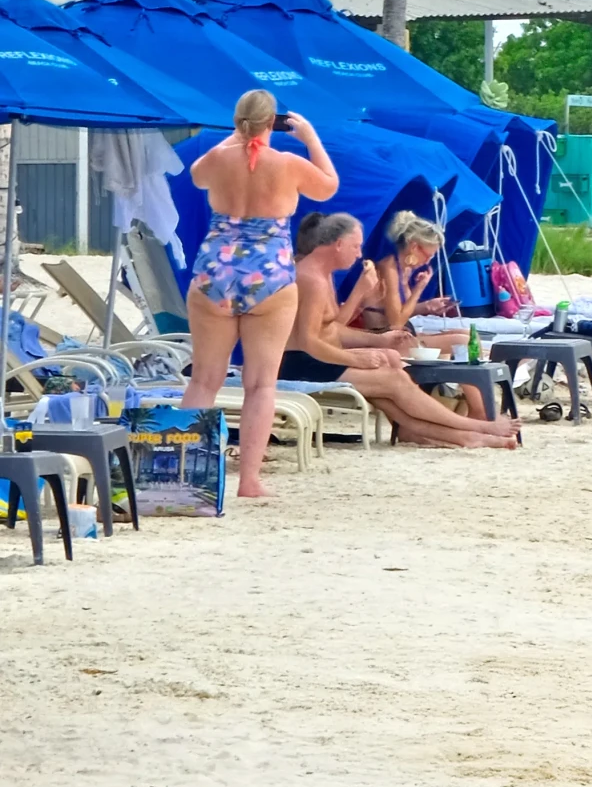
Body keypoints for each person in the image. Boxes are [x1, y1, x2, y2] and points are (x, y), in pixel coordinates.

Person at [183, 91, 340, 499]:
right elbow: (328, 187)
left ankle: (183, 472)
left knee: (203, 380)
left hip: (214, 272)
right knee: (261, 384)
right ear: (274, 124)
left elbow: (197, 176)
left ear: (237, 122)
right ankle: (249, 481)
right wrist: (310, 138)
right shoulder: (289, 164)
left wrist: (235, 138)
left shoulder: (217, 159)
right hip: (269, 276)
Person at [283, 215, 521, 447]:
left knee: (391, 374)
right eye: (355, 246)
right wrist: (354, 357)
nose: (359, 254)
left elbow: (330, 329)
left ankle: (463, 436)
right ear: (338, 245)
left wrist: (378, 341)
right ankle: (476, 426)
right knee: (394, 380)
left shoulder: (321, 275)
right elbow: (308, 340)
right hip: (300, 363)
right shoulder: (311, 279)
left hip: (313, 358)